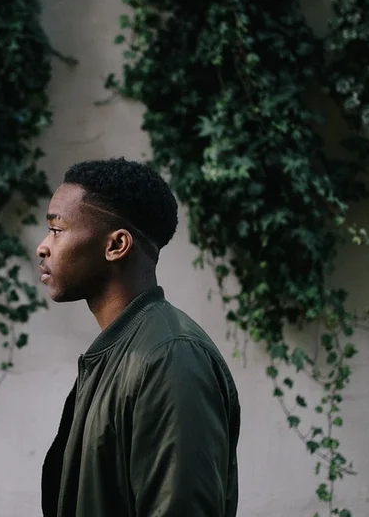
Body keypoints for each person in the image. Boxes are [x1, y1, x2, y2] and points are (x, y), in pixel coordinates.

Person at [37, 158, 240, 517]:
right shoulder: (119, 351)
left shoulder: (169, 357)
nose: (43, 246)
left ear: (116, 245)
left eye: (57, 230)